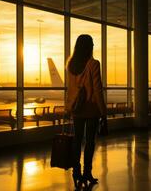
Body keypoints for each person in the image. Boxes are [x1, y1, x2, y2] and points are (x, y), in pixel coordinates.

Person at [66, 34, 106, 188]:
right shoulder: (94, 64)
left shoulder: (71, 64)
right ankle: (87, 172)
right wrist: (103, 112)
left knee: (77, 140)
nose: (94, 45)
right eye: (93, 43)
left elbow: (70, 89)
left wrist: (69, 107)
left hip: (77, 109)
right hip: (91, 109)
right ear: (89, 46)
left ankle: (76, 172)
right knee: (90, 142)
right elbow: (97, 90)